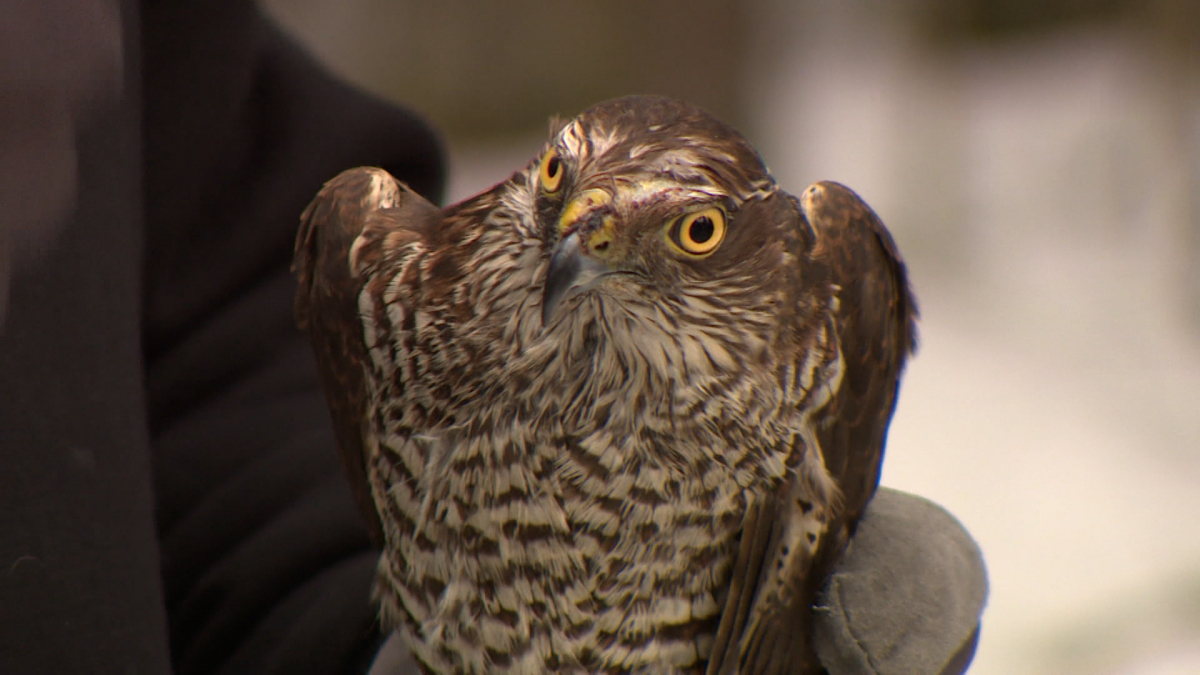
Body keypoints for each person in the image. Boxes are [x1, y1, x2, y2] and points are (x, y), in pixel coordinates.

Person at [0, 1, 986, 673]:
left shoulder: (821, 287)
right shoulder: (392, 260)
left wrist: (345, 641)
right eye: (561, 187)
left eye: (690, 233)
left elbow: (208, 361)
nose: (579, 241)